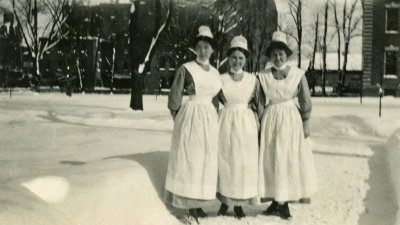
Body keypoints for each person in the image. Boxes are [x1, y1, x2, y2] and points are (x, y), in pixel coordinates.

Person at [164, 25, 222, 222]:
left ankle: (198, 205)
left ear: (212, 50)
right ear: (194, 49)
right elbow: (175, 96)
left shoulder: (216, 73)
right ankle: (188, 205)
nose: (203, 50)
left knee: (205, 160)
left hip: (210, 119)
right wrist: (178, 117)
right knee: (191, 160)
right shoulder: (186, 68)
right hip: (191, 116)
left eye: (207, 47)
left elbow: (216, 98)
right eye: (200, 46)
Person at [257, 31, 317, 220]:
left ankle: (285, 204)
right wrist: (259, 122)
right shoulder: (263, 76)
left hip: (291, 120)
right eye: (274, 54)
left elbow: (305, 99)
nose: (277, 57)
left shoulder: (298, 75)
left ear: (287, 55)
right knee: (272, 159)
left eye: (281, 54)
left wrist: (306, 122)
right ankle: (275, 201)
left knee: (287, 158)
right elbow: (259, 101)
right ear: (270, 56)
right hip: (271, 119)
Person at [216, 35, 263, 219]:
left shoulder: (253, 80)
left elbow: (259, 104)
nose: (237, 61)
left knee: (243, 163)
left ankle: (239, 205)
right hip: (226, 122)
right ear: (229, 58)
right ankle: (224, 201)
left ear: (246, 59)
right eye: (234, 57)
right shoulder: (220, 79)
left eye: (241, 58)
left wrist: (262, 125)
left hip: (246, 125)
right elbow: (213, 102)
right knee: (226, 162)